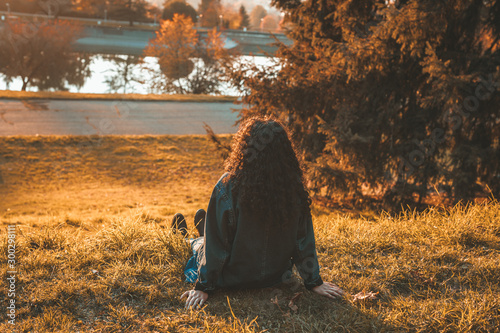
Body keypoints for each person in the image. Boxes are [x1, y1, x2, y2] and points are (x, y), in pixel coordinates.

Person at [173, 117, 344, 309]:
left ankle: (187, 237)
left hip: (232, 278)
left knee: (201, 246)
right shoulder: (293, 189)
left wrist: (203, 286)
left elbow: (217, 248)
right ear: (286, 152)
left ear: (245, 149)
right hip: (276, 277)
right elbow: (303, 241)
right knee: (210, 239)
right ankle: (203, 229)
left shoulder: (229, 185)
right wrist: (314, 282)